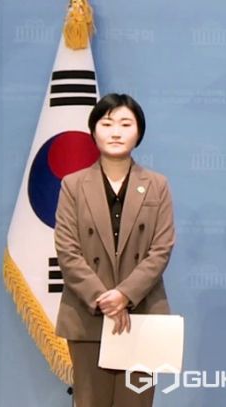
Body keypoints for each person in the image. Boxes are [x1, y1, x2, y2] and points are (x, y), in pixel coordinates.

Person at [54, 93, 175, 406]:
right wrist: (103, 298)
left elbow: (161, 248)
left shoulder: (157, 185)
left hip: (142, 312)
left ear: (139, 132)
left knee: (136, 401)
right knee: (89, 400)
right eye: (107, 124)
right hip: (87, 314)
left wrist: (124, 295)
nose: (116, 132)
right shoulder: (73, 185)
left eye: (125, 124)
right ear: (93, 131)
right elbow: (67, 249)